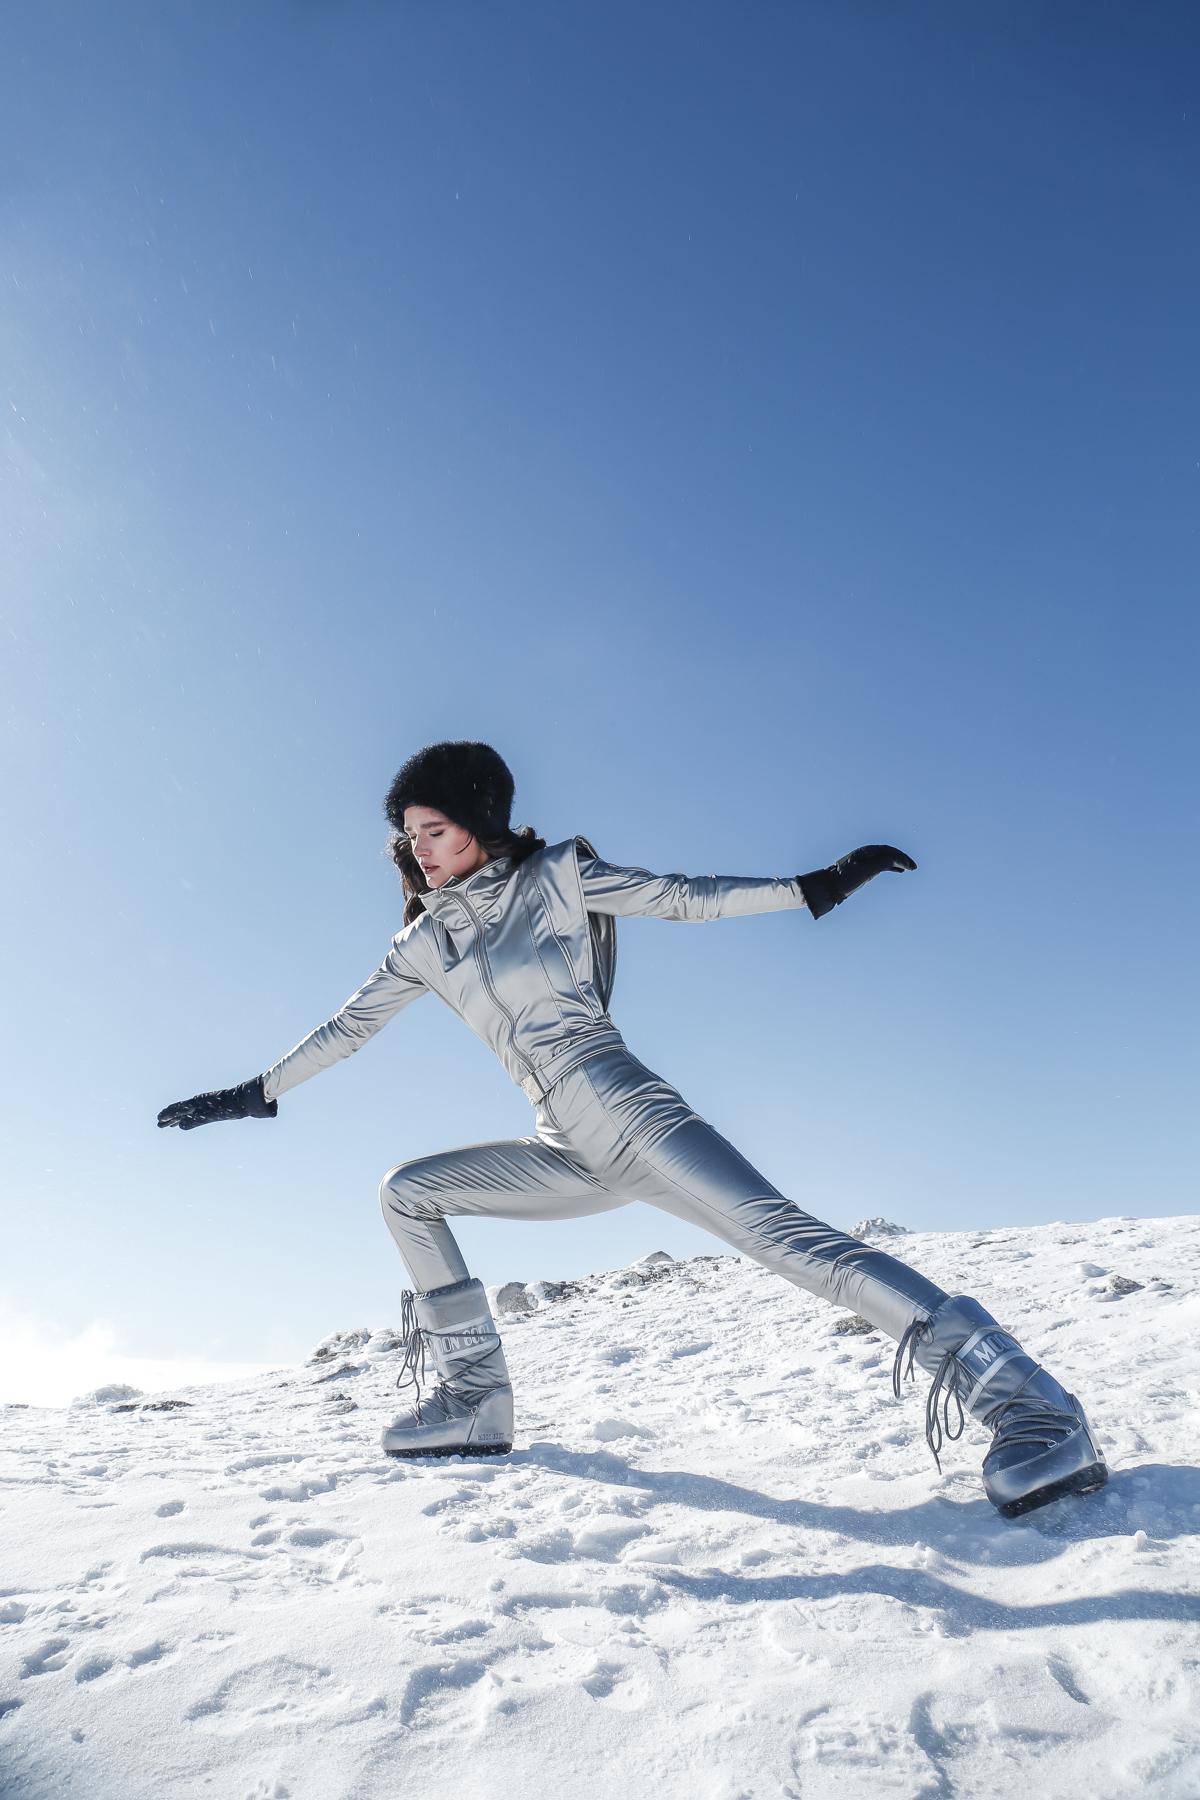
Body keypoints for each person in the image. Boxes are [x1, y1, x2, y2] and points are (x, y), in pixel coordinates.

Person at [158, 740, 1107, 1519]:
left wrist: (814, 886)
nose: (420, 851)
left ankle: (1034, 1408)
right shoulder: (425, 942)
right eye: (409, 837)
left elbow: (683, 895)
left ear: (479, 820)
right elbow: (347, 1027)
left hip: (630, 1113)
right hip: (563, 1148)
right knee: (407, 1192)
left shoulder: (555, 878)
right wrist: (256, 1091)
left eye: (434, 829)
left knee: (799, 1247)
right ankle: (475, 1400)